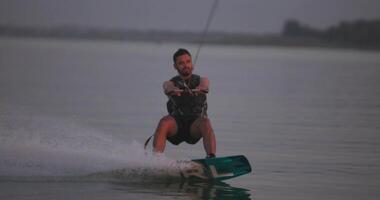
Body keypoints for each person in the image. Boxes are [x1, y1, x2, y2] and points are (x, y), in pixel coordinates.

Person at [152, 48, 216, 158]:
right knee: (164, 122)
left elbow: (205, 84)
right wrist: (172, 90)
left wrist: (201, 88)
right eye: (181, 63)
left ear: (192, 63)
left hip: (194, 127)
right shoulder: (171, 82)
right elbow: (167, 86)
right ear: (175, 66)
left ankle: (211, 159)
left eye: (188, 62)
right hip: (176, 126)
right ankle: (156, 160)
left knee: (206, 122)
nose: (185, 65)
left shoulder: (202, 80)